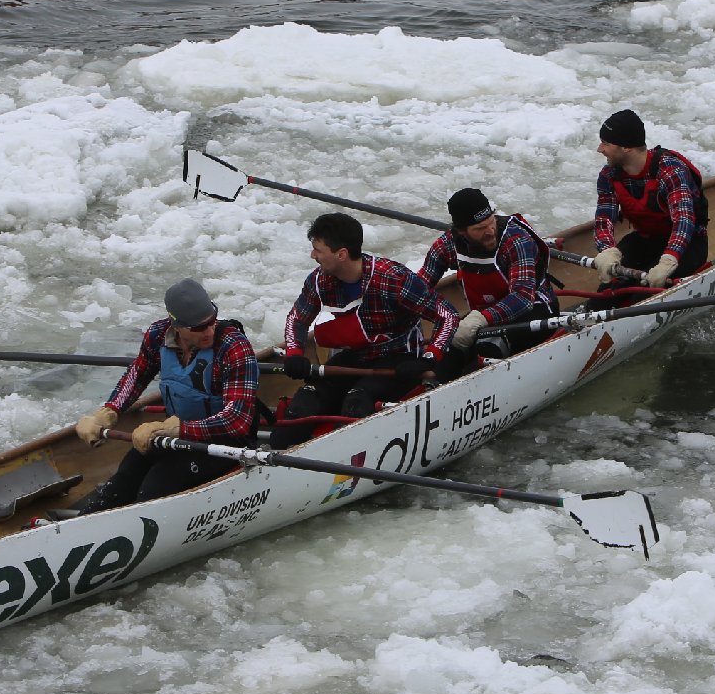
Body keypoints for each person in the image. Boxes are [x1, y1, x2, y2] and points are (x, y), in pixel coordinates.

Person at [62, 279, 266, 515]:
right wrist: (109, 411)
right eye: (199, 328)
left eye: (212, 321)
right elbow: (136, 375)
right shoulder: (158, 335)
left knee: (154, 489)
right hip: (172, 434)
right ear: (176, 325)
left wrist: (179, 429)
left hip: (224, 443)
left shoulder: (234, 346)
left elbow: (237, 421)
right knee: (120, 483)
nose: (209, 331)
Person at [281, 211, 459, 419]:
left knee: (356, 403)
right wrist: (294, 353)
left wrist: (430, 358)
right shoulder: (318, 281)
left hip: (399, 359)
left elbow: (448, 315)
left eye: (318, 250)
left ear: (341, 255)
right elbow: (297, 319)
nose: (313, 256)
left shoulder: (394, 279)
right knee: (303, 403)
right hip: (355, 357)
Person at [417, 188, 558, 375]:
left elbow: (523, 298)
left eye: (491, 222)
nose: (490, 231)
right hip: (485, 318)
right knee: (443, 356)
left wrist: (480, 319)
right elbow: (417, 288)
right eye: (480, 229)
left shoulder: (516, 239)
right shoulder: (448, 244)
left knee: (487, 347)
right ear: (461, 231)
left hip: (534, 310)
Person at [590, 109, 711, 289]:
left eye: (606, 143)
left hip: (688, 243)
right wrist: (607, 249)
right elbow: (604, 219)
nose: (600, 149)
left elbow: (683, 220)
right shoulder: (609, 175)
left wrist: (669, 259)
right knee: (606, 292)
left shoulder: (670, 170)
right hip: (646, 239)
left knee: (646, 292)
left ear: (626, 147)